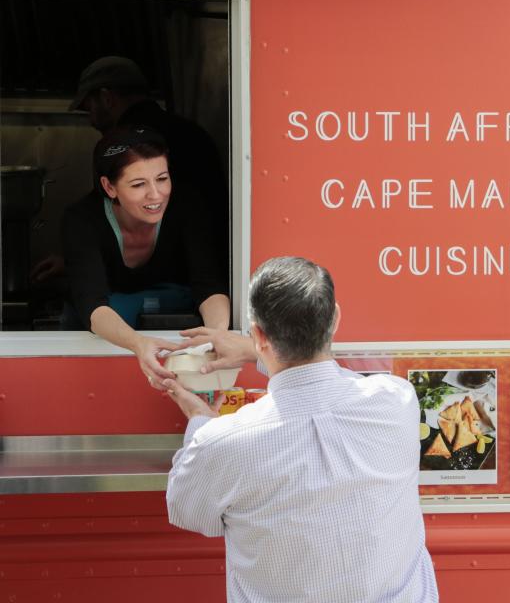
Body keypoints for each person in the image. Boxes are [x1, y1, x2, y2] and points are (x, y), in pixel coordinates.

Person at [163, 257, 438, 603]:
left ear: (259, 333)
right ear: (335, 318)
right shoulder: (397, 401)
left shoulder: (220, 442)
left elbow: (189, 512)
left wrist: (199, 421)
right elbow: (317, 386)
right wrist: (255, 351)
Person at [61, 127, 229, 387]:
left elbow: (209, 284)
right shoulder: (82, 220)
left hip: (174, 321)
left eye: (162, 178)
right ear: (109, 186)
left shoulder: (187, 205)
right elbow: (91, 303)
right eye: (139, 184)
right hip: (105, 340)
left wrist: (217, 335)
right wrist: (138, 343)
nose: (156, 194)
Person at [70, 55, 228, 253]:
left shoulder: (118, 146)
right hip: (211, 257)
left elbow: (106, 222)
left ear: (106, 98)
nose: (91, 120)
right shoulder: (192, 132)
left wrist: (74, 259)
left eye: (89, 108)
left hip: (159, 267)